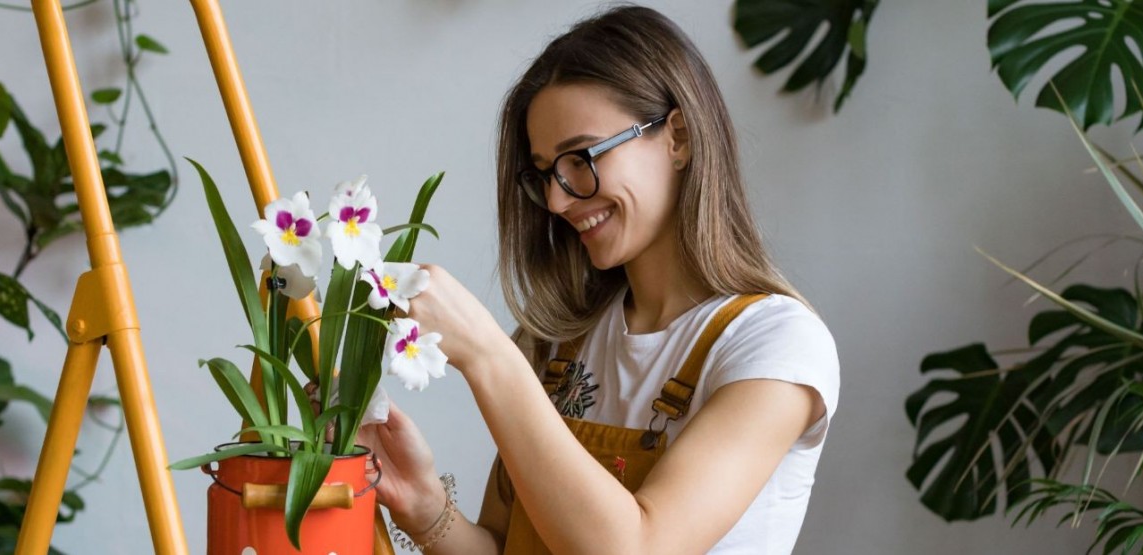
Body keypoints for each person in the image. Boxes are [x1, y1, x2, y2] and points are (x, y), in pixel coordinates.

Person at [357, 5, 841, 554]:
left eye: (580, 158)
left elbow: (637, 546)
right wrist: (426, 509)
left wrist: (490, 358)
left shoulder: (776, 346)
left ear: (678, 137)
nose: (560, 199)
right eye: (545, 174)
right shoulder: (558, 342)